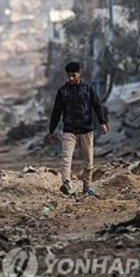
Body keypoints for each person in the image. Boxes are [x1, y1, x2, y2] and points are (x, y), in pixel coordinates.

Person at [47, 62, 108, 196]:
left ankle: (87, 186)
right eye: (68, 76)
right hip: (69, 130)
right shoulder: (62, 91)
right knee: (66, 158)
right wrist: (51, 130)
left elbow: (97, 106)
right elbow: (56, 111)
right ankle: (66, 183)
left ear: (79, 74)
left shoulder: (88, 88)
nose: (71, 79)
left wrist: (102, 122)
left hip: (86, 129)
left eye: (73, 75)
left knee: (88, 161)